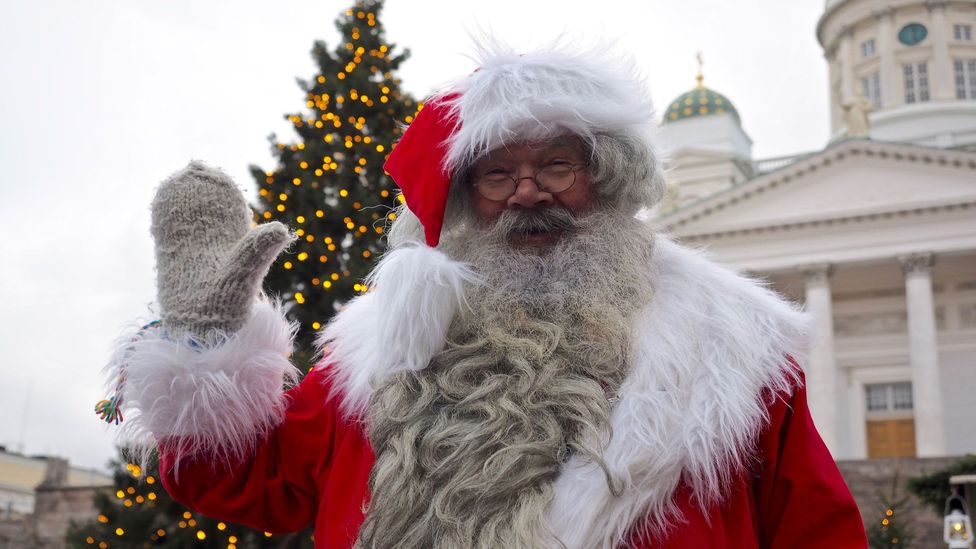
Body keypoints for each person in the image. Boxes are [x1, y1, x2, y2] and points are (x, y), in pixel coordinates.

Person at [107, 44, 868, 548]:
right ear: (469, 199)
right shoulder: (379, 350)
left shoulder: (731, 348)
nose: (528, 191)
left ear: (603, 178)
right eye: (497, 175)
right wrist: (202, 337)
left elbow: (816, 526)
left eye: (557, 164)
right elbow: (247, 479)